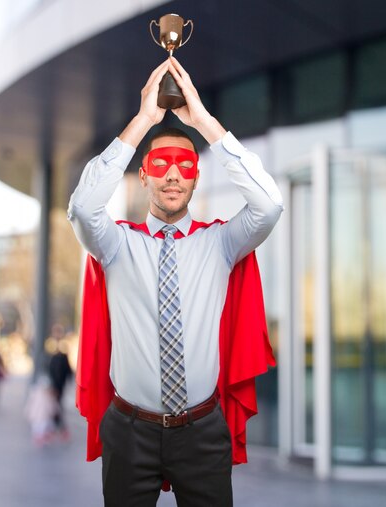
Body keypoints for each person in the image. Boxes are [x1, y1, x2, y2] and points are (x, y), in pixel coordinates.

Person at [68, 57, 283, 507]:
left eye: (184, 165)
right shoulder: (116, 243)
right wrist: (145, 117)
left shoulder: (221, 243)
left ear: (196, 177)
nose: (172, 174)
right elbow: (84, 209)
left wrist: (204, 123)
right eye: (161, 164)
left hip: (202, 431)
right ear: (143, 175)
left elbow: (268, 206)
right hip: (129, 430)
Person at [47, 324, 73, 439]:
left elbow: (67, 369)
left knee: (57, 406)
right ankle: (58, 427)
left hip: (59, 384)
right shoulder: (50, 347)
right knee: (55, 406)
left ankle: (59, 427)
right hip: (54, 383)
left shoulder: (63, 350)